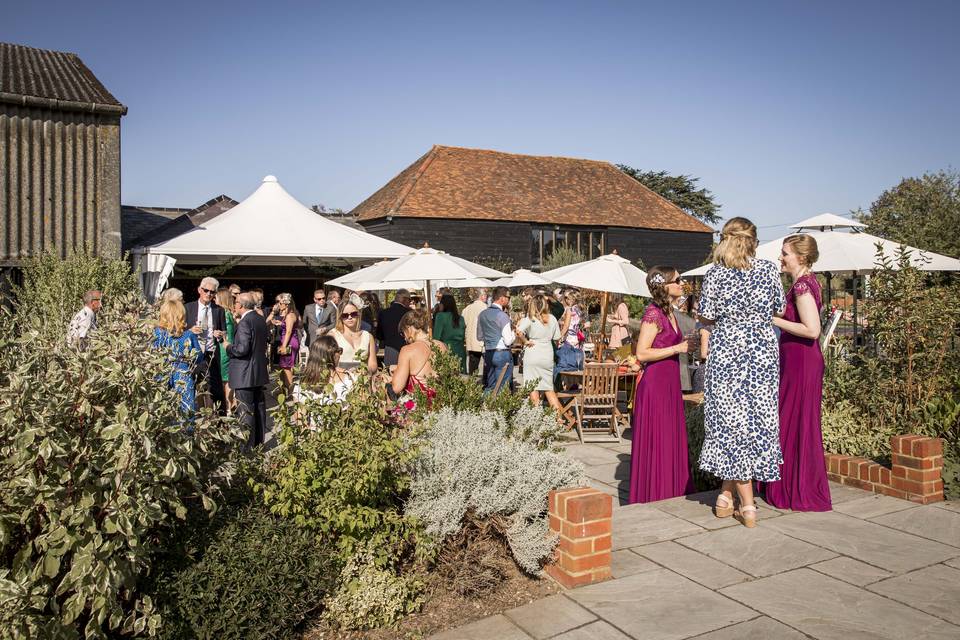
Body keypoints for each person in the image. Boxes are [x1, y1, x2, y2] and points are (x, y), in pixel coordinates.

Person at [698, 217, 785, 528]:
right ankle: (725, 496)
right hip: (762, 354)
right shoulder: (769, 270)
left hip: (728, 356)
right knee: (754, 421)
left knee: (732, 425)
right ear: (754, 241)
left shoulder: (715, 274)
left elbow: (706, 315)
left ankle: (747, 506)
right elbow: (780, 308)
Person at [761, 234, 832, 512]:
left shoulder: (802, 286)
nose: (781, 258)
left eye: (785, 253)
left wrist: (772, 318)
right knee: (791, 422)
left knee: (795, 422)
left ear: (801, 257)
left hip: (802, 363)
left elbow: (812, 330)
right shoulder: (805, 282)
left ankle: (796, 489)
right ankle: (791, 485)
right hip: (796, 362)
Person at [629, 267, 695, 504]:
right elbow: (642, 353)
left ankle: (670, 488)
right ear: (664, 286)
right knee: (657, 439)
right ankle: (655, 491)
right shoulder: (653, 314)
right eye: (678, 280)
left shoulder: (670, 313)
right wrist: (676, 348)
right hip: (655, 385)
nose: (681, 283)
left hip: (670, 382)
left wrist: (685, 345)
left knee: (669, 437)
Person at [225, 293, 269, 447]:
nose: (234, 305)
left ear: (241, 305)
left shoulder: (245, 322)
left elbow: (242, 349)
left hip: (245, 373)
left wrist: (228, 347)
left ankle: (246, 446)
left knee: (246, 411)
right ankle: (258, 443)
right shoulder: (259, 318)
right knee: (259, 409)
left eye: (236, 302)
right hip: (258, 371)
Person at [389, 309, 447, 412]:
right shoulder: (442, 346)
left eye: (403, 333)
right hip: (441, 406)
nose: (405, 338)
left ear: (409, 328)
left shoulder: (407, 350)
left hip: (418, 409)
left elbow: (397, 387)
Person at [185, 277, 227, 414]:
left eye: (212, 292)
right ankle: (197, 416)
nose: (208, 294)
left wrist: (220, 334)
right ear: (199, 290)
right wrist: (189, 331)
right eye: (206, 290)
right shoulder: (188, 308)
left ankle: (215, 420)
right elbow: (180, 331)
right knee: (196, 386)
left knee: (213, 388)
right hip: (193, 353)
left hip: (211, 352)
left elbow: (224, 333)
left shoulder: (219, 310)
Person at [152, 297, 202, 414]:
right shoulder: (188, 335)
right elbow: (199, 357)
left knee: (161, 410)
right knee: (185, 411)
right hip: (182, 375)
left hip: (161, 374)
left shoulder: (157, 334)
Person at [516, 294, 563, 412]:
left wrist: (526, 341)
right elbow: (557, 337)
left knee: (532, 386)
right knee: (548, 388)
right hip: (547, 353)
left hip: (533, 353)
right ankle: (558, 419)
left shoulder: (530, 318)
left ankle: (536, 416)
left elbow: (519, 332)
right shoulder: (552, 318)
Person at [294, 335, 354, 408]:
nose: (339, 355)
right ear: (331, 355)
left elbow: (299, 417)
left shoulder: (300, 386)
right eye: (338, 351)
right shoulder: (350, 380)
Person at [477, 286, 515, 393]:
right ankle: (500, 409)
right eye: (508, 297)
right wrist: (514, 334)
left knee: (490, 385)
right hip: (502, 352)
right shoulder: (502, 316)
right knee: (502, 386)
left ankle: (487, 407)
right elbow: (508, 341)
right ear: (502, 298)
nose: (509, 299)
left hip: (488, 352)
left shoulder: (482, 314)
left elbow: (479, 336)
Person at [329, 298, 378, 374]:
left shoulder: (368, 336)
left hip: (362, 381)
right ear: (340, 317)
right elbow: (327, 363)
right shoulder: (333, 335)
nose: (350, 317)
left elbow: (373, 364)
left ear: (358, 314)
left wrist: (364, 371)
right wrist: (345, 371)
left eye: (353, 314)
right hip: (340, 381)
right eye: (345, 315)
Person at [268, 293, 301, 399]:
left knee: (287, 368)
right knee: (283, 367)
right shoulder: (288, 314)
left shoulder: (290, 315)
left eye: (281, 303)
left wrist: (283, 346)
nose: (279, 305)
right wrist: (279, 323)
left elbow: (289, 331)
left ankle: (291, 393)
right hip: (288, 340)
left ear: (286, 304)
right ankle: (284, 391)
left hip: (289, 342)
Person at [378, 289, 412, 367]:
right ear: (404, 299)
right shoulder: (409, 313)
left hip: (390, 350)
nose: (410, 302)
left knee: (390, 376)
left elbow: (379, 335)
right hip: (408, 349)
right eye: (409, 300)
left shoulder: (383, 313)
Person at [215, 287, 236, 412]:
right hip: (230, 347)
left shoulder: (223, 313)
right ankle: (229, 407)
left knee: (223, 380)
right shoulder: (230, 313)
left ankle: (226, 406)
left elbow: (223, 333)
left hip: (223, 349)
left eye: (216, 297)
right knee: (227, 379)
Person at [433, 293, 466, 371]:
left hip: (446, 350)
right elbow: (463, 336)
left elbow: (436, 338)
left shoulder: (440, 316)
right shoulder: (461, 318)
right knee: (461, 378)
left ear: (443, 304)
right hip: (460, 351)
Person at [555, 289, 585, 376]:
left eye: (567, 298)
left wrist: (558, 336)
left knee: (566, 364)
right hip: (578, 339)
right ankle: (575, 384)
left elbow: (566, 326)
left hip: (569, 339)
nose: (566, 300)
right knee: (576, 363)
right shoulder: (580, 310)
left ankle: (567, 384)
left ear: (572, 299)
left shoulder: (570, 310)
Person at [462, 288, 489, 375]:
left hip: (471, 342)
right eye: (486, 295)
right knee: (488, 366)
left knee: (472, 368)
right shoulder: (485, 308)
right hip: (483, 342)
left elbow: (463, 324)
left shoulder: (467, 309)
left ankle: (472, 385)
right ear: (482, 296)